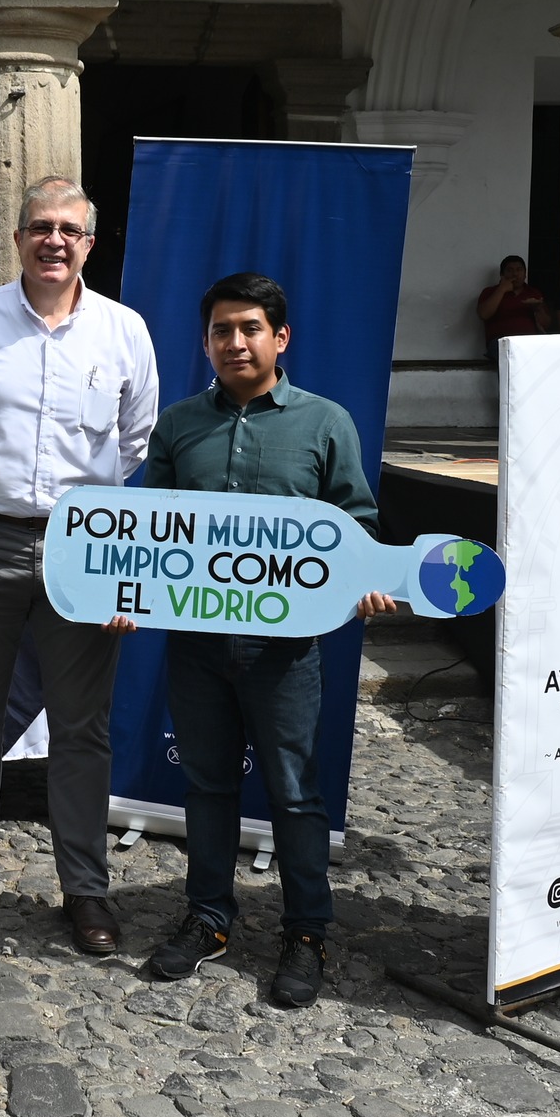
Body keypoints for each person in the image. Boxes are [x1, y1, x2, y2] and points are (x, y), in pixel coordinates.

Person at [140, 272, 393, 1009]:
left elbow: (358, 522)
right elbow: (146, 530)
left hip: (284, 651)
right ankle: (210, 917)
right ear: (207, 341)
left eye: (250, 328)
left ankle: (307, 931)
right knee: (208, 784)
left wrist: (366, 576)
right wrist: (120, 590)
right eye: (221, 330)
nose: (235, 342)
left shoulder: (324, 423)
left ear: (280, 338)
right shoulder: (180, 424)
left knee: (294, 793)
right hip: (196, 644)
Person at [0, 175, 159, 955]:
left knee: (82, 725)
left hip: (85, 546)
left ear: (90, 243)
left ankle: (85, 887)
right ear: (19, 238)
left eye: (70, 228)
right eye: (40, 226)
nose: (54, 240)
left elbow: (135, 446)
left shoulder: (124, 331)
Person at [476, 255, 549, 347]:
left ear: (525, 274)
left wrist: (538, 309)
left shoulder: (533, 292)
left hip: (529, 341)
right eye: (510, 270)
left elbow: (546, 325)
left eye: (519, 270)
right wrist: (502, 289)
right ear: (502, 275)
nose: (515, 274)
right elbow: (484, 314)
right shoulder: (490, 291)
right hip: (501, 342)